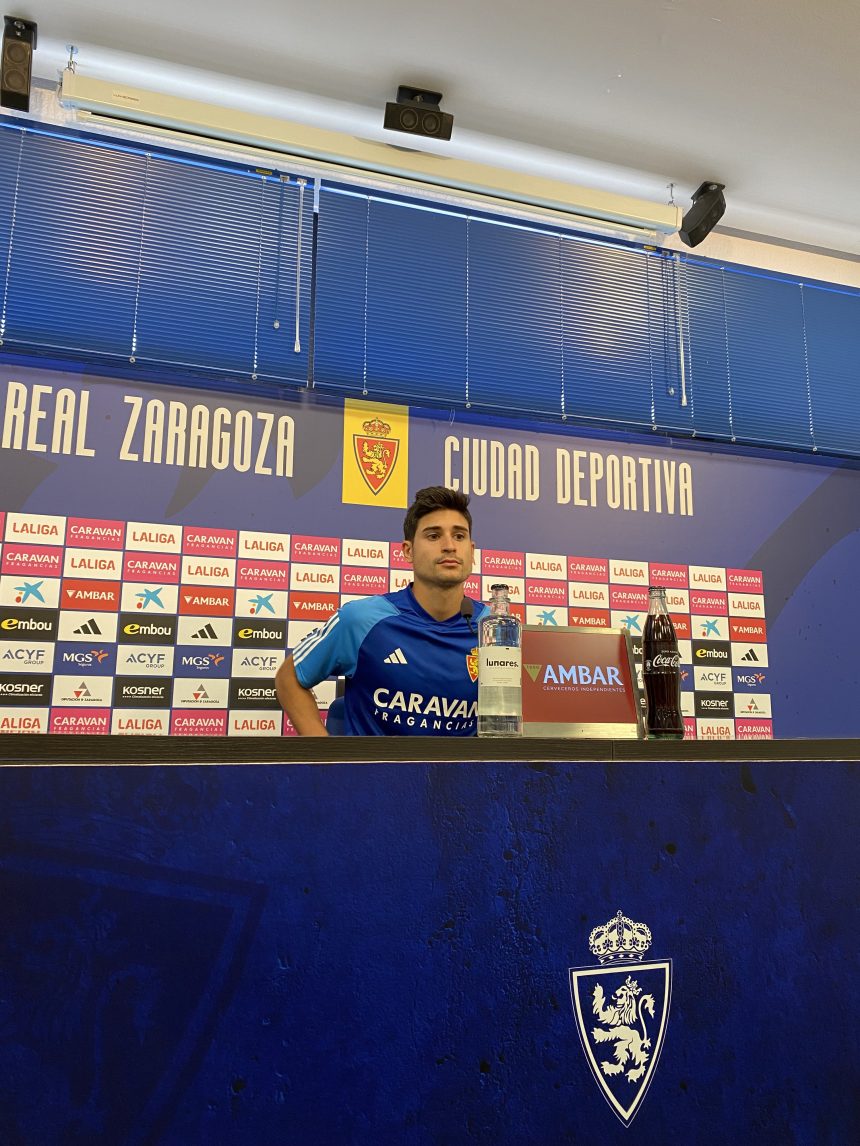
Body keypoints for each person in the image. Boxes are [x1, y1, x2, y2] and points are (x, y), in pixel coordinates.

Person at [275, 486, 488, 736]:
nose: (449, 546)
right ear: (408, 551)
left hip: (462, 775)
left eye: (459, 536)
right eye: (433, 536)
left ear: (472, 551)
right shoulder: (362, 619)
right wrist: (325, 757)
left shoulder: (496, 630)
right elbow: (289, 678)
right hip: (373, 775)